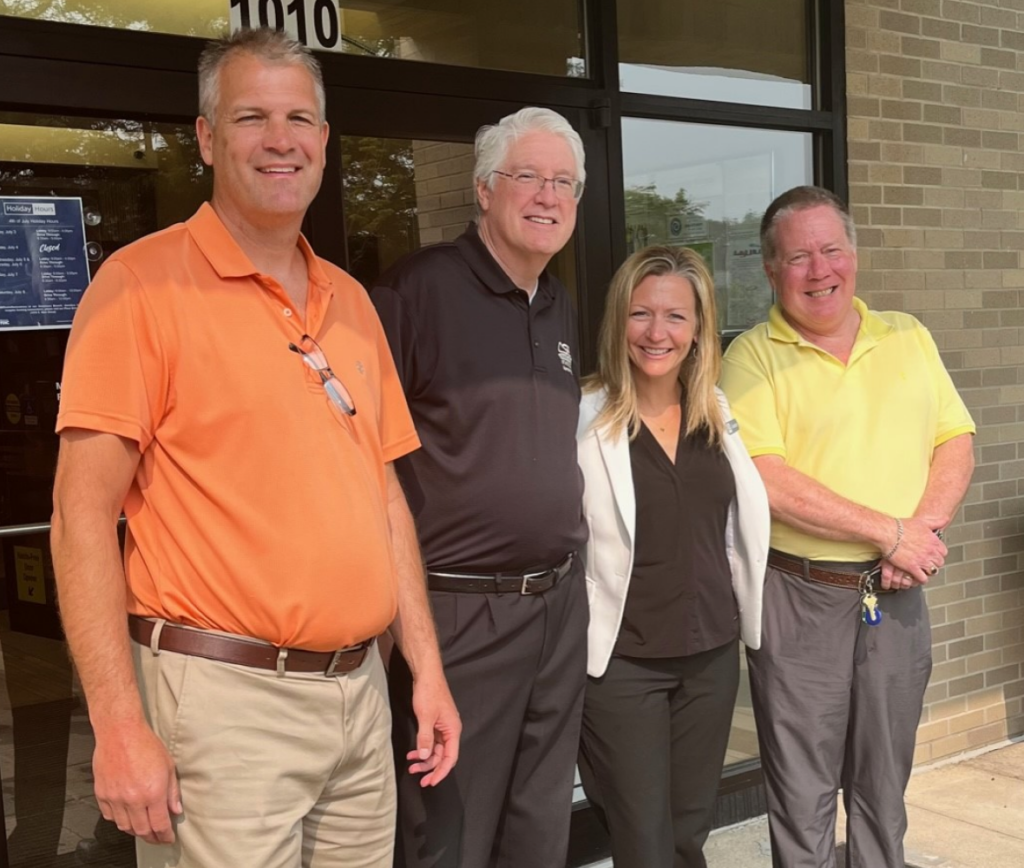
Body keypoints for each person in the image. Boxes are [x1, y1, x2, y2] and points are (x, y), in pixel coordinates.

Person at [50, 28, 459, 868]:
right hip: (221, 707)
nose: (281, 139)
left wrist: (425, 668)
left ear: (323, 140)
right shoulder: (139, 287)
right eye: (252, 117)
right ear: (206, 138)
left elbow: (382, 496)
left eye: (299, 119)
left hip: (356, 698)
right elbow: (78, 516)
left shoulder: (349, 300)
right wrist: (119, 724)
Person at [720, 185, 975, 868]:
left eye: (831, 249)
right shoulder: (751, 357)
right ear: (771, 270)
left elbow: (956, 441)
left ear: (854, 256)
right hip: (800, 599)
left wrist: (915, 534)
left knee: (884, 789)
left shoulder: (908, 336)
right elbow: (765, 477)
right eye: (798, 256)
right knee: (802, 798)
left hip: (897, 597)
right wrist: (888, 532)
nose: (819, 269)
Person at [370, 107, 588, 868]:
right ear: (483, 190)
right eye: (527, 176)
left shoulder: (559, 302)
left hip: (558, 607)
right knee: (449, 836)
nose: (546, 196)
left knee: (538, 826)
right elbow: (362, 457)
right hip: (459, 610)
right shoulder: (416, 291)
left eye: (563, 182)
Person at [575, 245, 770, 868]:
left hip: (710, 656)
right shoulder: (582, 416)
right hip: (624, 664)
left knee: (688, 830)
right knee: (643, 838)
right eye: (640, 314)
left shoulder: (716, 411)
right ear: (618, 322)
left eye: (675, 317)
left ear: (698, 328)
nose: (657, 333)